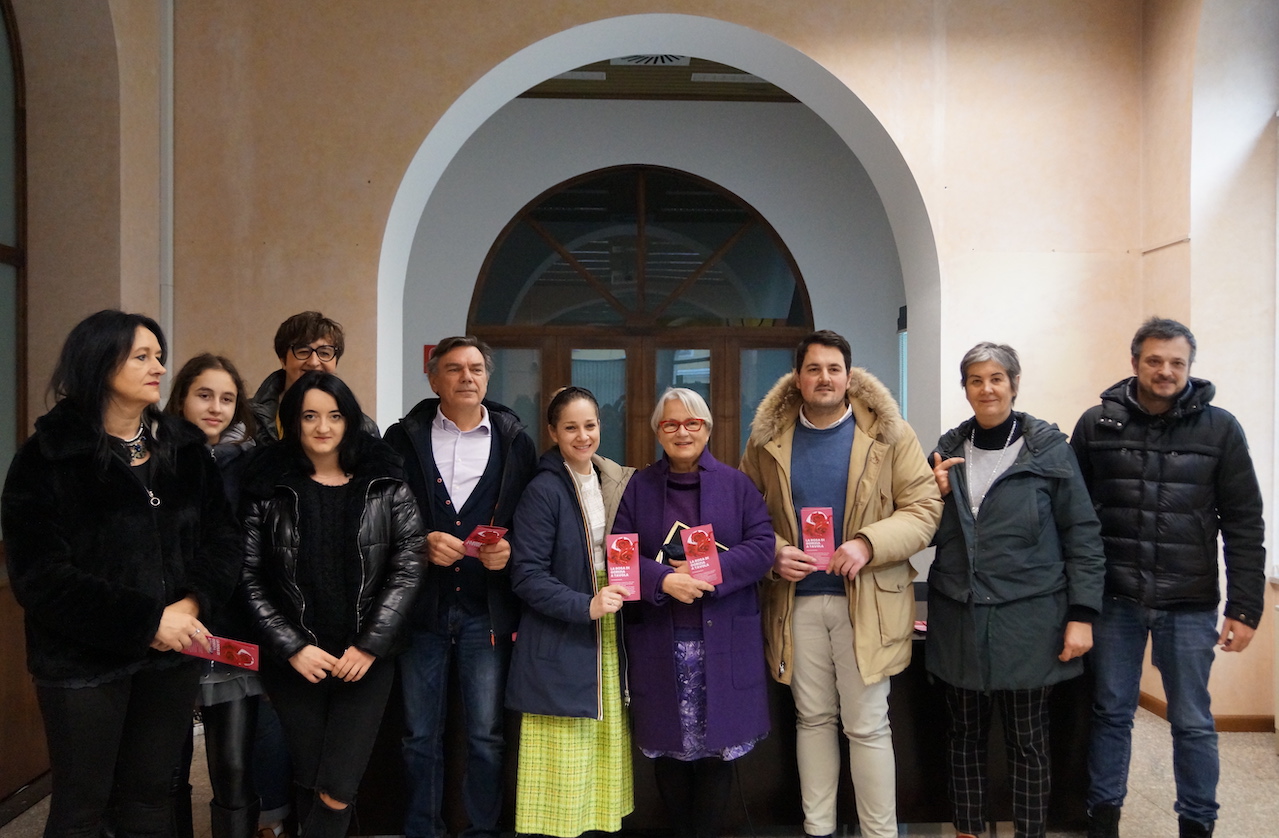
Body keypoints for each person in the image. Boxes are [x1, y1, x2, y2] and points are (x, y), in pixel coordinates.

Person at [1, 310, 240, 838]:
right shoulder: (47, 458)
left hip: (171, 657)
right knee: (84, 804)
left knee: (151, 796)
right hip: (83, 664)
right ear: (99, 362)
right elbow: (41, 577)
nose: (158, 367)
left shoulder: (185, 451)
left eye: (158, 356)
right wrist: (146, 621)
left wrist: (192, 605)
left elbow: (224, 542)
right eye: (142, 356)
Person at [740, 329, 942, 838]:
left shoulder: (891, 434)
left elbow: (923, 509)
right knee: (812, 720)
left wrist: (868, 544)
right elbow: (745, 516)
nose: (824, 378)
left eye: (833, 369)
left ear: (849, 377)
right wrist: (775, 553)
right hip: (798, 602)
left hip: (868, 603)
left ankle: (880, 835)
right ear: (798, 378)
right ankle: (819, 829)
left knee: (868, 725)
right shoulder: (767, 440)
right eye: (813, 369)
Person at [1071, 318, 1266, 838]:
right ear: (1134, 362)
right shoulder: (1095, 425)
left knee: (1193, 722)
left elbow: (1244, 521)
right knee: (1111, 713)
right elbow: (1072, 517)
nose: (1166, 371)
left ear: (1189, 367)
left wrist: (1245, 607)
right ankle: (1103, 818)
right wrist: (1077, 602)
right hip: (1115, 600)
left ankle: (1198, 823)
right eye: (1155, 360)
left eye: (1177, 362)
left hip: (1190, 601)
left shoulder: (1220, 429)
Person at [928, 342, 1105, 838]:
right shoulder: (945, 453)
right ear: (965, 389)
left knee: (1029, 741)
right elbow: (930, 534)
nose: (987, 389)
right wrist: (932, 496)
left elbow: (1083, 535)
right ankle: (968, 832)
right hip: (960, 618)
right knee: (964, 737)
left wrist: (1082, 612)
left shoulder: (1049, 450)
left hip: (1030, 621)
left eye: (996, 378)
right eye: (976, 380)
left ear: (1014, 383)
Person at [239, 371, 425, 838]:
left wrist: (369, 646)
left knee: (338, 784)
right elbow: (248, 576)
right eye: (310, 416)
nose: (323, 427)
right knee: (311, 776)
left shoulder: (386, 483)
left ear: (350, 420)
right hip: (295, 662)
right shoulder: (268, 487)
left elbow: (407, 568)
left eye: (335, 415)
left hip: (364, 660)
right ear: (293, 422)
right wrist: (292, 647)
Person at [385, 336, 537, 838]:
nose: (466, 377)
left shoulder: (516, 442)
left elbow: (529, 521)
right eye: (453, 369)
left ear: (487, 378)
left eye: (475, 368)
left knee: (486, 736)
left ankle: (482, 830)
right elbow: (380, 517)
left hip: (485, 611)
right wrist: (418, 541)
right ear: (433, 379)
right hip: (420, 608)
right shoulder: (401, 439)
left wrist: (508, 549)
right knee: (418, 735)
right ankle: (422, 830)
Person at [614, 387, 775, 838]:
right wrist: (664, 580)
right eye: (670, 424)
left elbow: (763, 548)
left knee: (716, 753)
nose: (681, 431)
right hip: (660, 643)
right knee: (667, 752)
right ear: (657, 432)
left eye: (692, 423)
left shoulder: (737, 484)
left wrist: (710, 570)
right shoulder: (638, 487)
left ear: (707, 428)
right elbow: (619, 556)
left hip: (721, 641)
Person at [506, 386, 637, 836]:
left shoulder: (610, 478)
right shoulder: (543, 489)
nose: (583, 436)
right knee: (563, 757)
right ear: (553, 432)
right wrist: (586, 604)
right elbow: (525, 576)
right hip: (564, 632)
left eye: (590, 425)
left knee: (600, 753)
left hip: (607, 625)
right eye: (571, 427)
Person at [249, 310, 378, 444]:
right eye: (303, 352)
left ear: (335, 362)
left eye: (324, 353)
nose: (314, 362)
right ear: (282, 360)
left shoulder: (363, 428)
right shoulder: (248, 418)